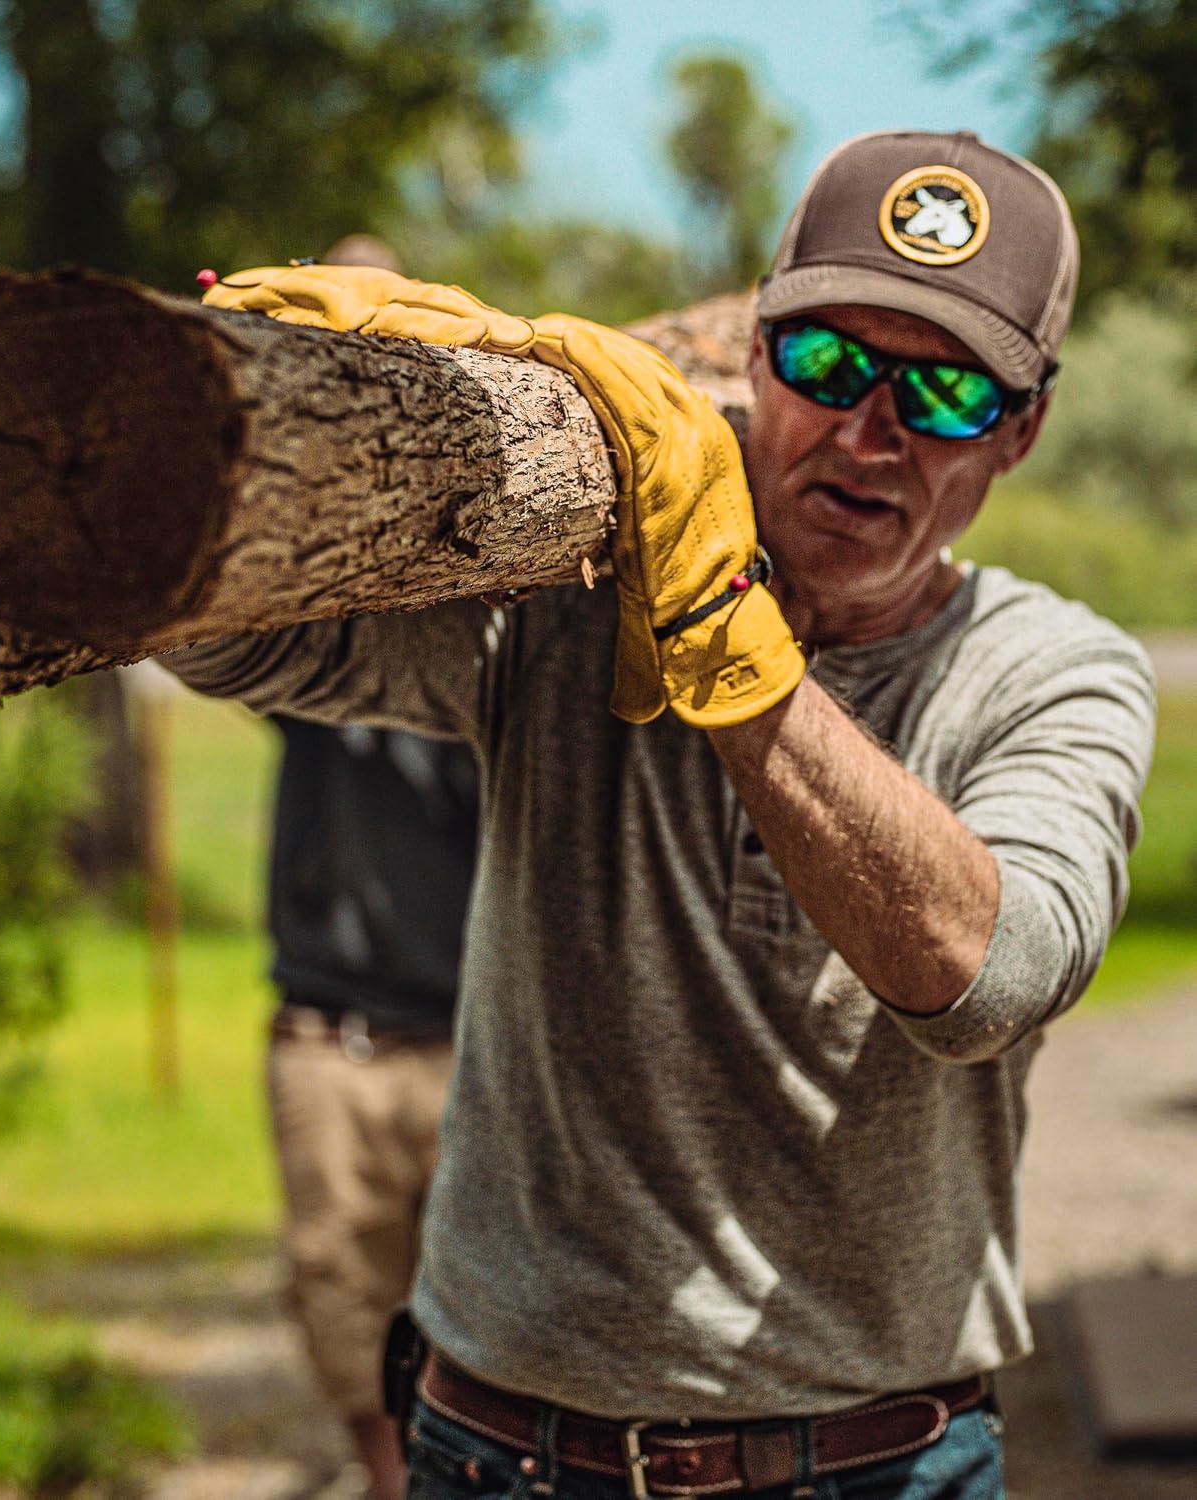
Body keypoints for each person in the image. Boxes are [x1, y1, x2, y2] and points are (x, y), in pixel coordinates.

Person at [168, 130, 1156, 1499]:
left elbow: (986, 977)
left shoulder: (1053, 670)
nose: (868, 431)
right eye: (827, 363)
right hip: (496, 1456)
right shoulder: (571, 585)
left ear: (1022, 429)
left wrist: (724, 639)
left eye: (944, 393)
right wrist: (269, 431)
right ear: (755, 353)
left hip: (874, 1468)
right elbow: (225, 645)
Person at [264, 716, 477, 1500]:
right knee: (341, 1287)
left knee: (493, 1291)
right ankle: (390, 1484)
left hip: (477, 1038)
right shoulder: (322, 688)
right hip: (331, 1036)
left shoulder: (500, 682)